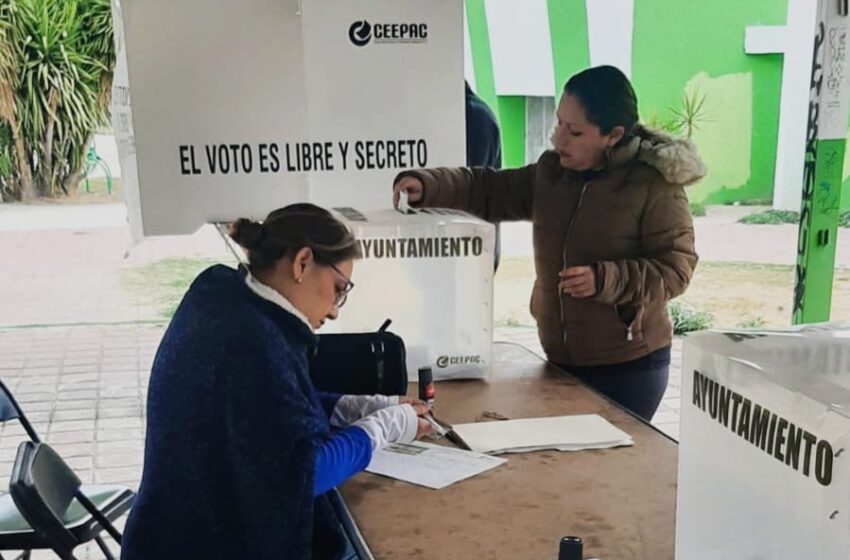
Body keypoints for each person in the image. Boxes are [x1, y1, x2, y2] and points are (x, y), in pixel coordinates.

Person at [392, 66, 704, 421]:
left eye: (574, 131)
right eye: (558, 123)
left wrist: (605, 280)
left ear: (613, 135)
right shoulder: (551, 172)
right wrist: (428, 185)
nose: (558, 139)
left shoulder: (654, 185)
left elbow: (676, 268)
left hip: (629, 367)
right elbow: (488, 188)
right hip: (560, 360)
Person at [122, 203, 431, 560]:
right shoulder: (254, 342)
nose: (334, 310)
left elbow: (263, 407)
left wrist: (351, 406)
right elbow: (303, 476)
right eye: (338, 288)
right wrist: (380, 428)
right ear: (302, 263)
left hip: (168, 532)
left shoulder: (221, 293)